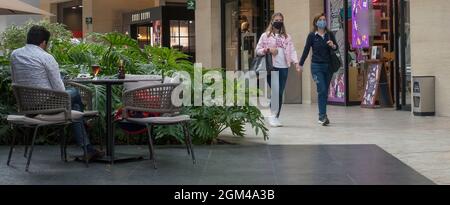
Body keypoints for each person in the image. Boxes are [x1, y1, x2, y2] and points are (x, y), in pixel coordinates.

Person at [10, 25, 104, 160]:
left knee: (75, 107)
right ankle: (84, 123)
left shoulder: (15, 54)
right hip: (49, 106)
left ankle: (88, 149)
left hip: (27, 107)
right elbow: (60, 91)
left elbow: (15, 79)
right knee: (75, 94)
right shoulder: (46, 57)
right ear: (43, 43)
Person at [256, 13, 301, 127]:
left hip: (284, 67)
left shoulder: (286, 37)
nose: (279, 21)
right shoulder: (265, 36)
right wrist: (268, 49)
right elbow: (258, 50)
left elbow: (292, 50)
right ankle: (272, 116)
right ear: (272, 21)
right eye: (276, 20)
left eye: (281, 20)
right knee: (276, 91)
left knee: (279, 92)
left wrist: (296, 63)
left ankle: (275, 117)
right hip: (271, 67)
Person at [298, 13, 339, 126]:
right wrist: (300, 64)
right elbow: (306, 50)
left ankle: (323, 115)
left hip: (328, 66)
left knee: (324, 91)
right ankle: (322, 116)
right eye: (320, 20)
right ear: (316, 22)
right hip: (316, 66)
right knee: (321, 89)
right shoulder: (312, 36)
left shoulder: (329, 34)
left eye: (324, 19)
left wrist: (333, 45)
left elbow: (337, 48)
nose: (322, 21)